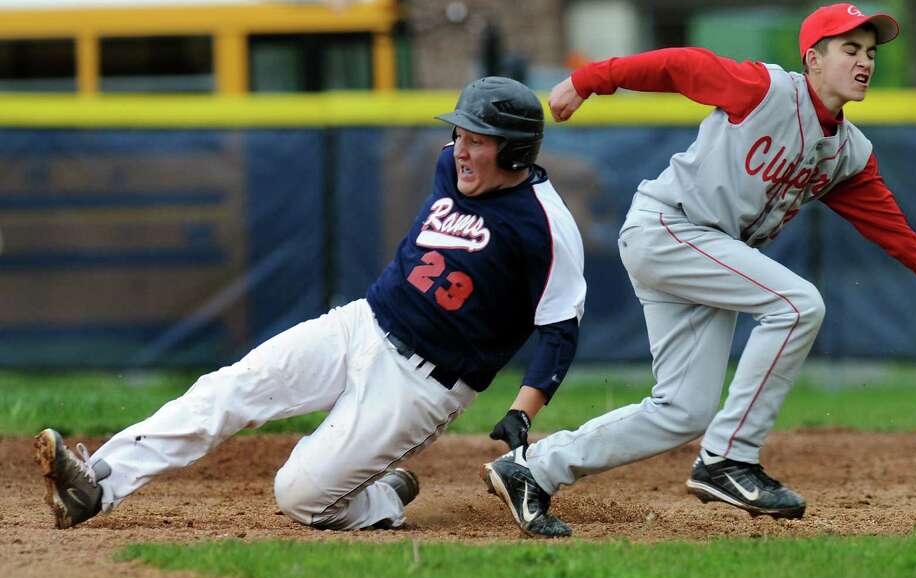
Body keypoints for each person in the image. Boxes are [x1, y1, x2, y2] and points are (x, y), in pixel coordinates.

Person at [482, 3, 916, 537]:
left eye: (870, 52)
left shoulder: (847, 153)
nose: (865, 61)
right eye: (850, 49)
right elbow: (681, 66)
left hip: (703, 252)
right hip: (669, 227)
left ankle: (531, 470)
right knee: (798, 304)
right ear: (813, 59)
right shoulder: (764, 90)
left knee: (682, 411)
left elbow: (899, 236)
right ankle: (729, 459)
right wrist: (589, 80)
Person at [35, 76, 586, 535]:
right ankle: (97, 484)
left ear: (513, 150)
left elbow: (561, 327)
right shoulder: (455, 168)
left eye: (478, 139)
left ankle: (384, 496)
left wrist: (523, 410)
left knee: (299, 496)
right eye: (459, 134)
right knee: (229, 387)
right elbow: (460, 165)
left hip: (422, 384)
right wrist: (467, 146)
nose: (461, 149)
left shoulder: (545, 225)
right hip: (362, 323)